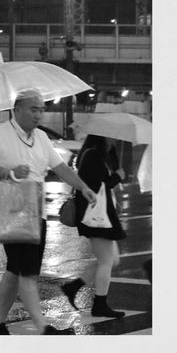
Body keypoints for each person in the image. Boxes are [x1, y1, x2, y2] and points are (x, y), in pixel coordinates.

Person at [0, 89, 99, 335]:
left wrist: (83, 187)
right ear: (17, 109)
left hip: (36, 210)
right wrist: (6, 173)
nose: (39, 114)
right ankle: (44, 329)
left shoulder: (41, 137)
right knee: (27, 272)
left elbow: (60, 167)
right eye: (34, 109)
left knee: (14, 270)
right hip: (9, 208)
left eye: (42, 109)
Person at [59, 134, 130, 320]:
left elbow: (102, 188)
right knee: (107, 261)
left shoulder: (98, 156)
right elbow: (96, 186)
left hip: (101, 215)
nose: (113, 141)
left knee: (111, 260)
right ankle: (100, 304)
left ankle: (73, 287)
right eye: (109, 138)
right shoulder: (92, 155)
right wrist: (117, 177)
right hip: (96, 217)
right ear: (100, 137)